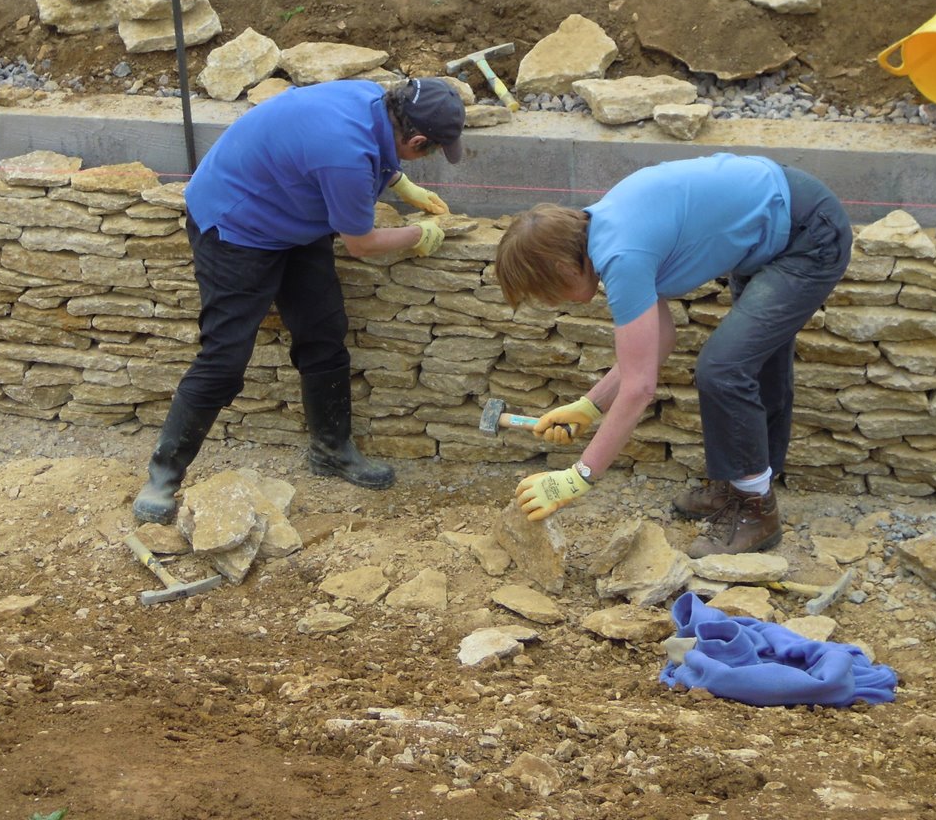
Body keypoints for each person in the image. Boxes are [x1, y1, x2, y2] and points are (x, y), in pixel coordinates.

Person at [132, 77, 468, 524]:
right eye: (428, 152)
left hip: (292, 215)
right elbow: (361, 242)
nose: (427, 160)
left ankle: (332, 450)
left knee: (323, 332)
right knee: (224, 359)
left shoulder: (372, 98)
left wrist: (399, 182)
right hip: (235, 225)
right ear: (417, 138)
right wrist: (418, 234)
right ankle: (163, 478)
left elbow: (367, 155)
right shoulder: (346, 155)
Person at [493, 153, 852, 556]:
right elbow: (659, 342)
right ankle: (738, 487)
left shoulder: (621, 255)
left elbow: (639, 387)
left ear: (561, 267)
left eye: (546, 291)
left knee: (724, 368)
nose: (552, 302)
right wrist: (589, 406)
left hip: (807, 236)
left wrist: (578, 477)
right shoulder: (604, 232)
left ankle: (756, 510)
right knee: (749, 362)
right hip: (775, 223)